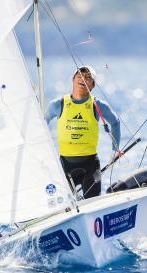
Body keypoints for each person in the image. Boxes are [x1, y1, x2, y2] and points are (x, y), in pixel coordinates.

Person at [45, 65, 121, 199]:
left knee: (92, 203)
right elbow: (41, 125)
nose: (83, 79)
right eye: (80, 76)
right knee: (61, 206)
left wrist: (115, 150)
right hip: (65, 165)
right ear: (73, 80)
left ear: (92, 85)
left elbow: (115, 122)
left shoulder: (98, 105)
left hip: (90, 165)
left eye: (88, 77)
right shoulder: (57, 104)